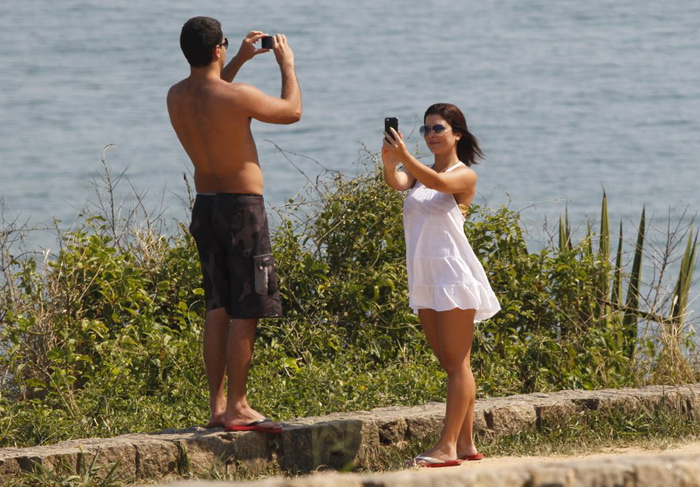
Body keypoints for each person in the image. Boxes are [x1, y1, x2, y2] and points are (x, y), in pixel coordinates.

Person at [167, 16, 301, 433]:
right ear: (217, 49)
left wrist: (238, 58)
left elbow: (212, 90)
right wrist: (287, 66)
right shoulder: (236, 95)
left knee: (217, 306)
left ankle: (218, 405)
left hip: (205, 206)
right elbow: (292, 111)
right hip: (242, 210)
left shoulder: (176, 96)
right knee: (248, 309)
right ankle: (239, 407)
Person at [382, 103, 500, 467]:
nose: (431, 135)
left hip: (453, 276)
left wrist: (406, 157)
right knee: (454, 364)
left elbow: (438, 183)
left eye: (438, 129)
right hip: (425, 277)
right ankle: (465, 443)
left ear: (457, 134)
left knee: (456, 364)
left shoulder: (464, 175)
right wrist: (390, 159)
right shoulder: (421, 173)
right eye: (426, 130)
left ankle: (447, 447)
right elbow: (397, 181)